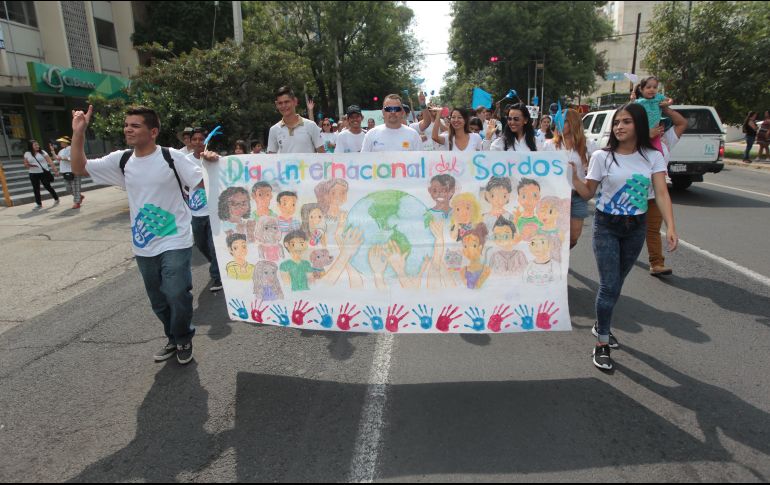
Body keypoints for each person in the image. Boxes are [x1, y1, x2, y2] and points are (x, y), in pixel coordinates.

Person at [70, 105, 204, 366]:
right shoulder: (121, 160)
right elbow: (79, 168)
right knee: (158, 300)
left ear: (153, 131)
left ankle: (183, 336)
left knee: (176, 291)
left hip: (176, 237)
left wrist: (212, 163)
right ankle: (173, 337)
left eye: (135, 125)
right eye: (126, 125)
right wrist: (79, 133)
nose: (128, 129)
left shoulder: (172, 157)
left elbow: (200, 182)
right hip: (144, 244)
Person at [571, 103, 678, 371]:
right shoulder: (602, 157)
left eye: (626, 121)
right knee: (608, 286)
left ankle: (600, 324)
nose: (619, 126)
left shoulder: (652, 156)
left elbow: (662, 193)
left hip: (636, 227)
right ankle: (602, 344)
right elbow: (588, 193)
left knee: (617, 284)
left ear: (638, 125)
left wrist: (671, 227)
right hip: (607, 225)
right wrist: (572, 177)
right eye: (617, 122)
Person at [543, 109, 599, 248]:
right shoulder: (549, 145)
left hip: (578, 195)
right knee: (555, 233)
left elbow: (596, 167)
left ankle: (563, 255)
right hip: (556, 196)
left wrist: (586, 167)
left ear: (573, 123)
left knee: (573, 236)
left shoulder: (589, 145)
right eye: (558, 121)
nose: (560, 124)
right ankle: (558, 263)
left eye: (565, 121)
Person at [646, 106, 688, 276]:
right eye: (655, 123)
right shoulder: (635, 139)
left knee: (652, 228)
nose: (659, 127)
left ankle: (656, 263)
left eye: (661, 124)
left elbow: (682, 123)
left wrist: (665, 109)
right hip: (633, 193)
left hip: (656, 193)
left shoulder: (666, 141)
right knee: (628, 229)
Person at [187, 127, 223, 292]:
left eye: (201, 139)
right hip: (195, 213)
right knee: (201, 245)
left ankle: (217, 276)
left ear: (206, 141)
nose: (197, 142)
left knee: (213, 244)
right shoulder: (184, 160)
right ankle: (218, 264)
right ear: (190, 142)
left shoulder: (214, 158)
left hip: (213, 211)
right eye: (194, 139)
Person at [267, 86, 324, 154]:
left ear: (295, 101)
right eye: (280, 103)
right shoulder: (274, 130)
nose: (283, 106)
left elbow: (322, 154)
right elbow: (271, 158)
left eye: (287, 102)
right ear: (276, 104)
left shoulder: (311, 126)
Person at [633, 76, 673, 153]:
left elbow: (670, 100)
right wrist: (632, 100)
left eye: (655, 87)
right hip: (642, 134)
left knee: (659, 153)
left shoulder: (658, 97)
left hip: (656, 133)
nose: (652, 89)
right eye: (648, 87)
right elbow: (630, 110)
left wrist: (667, 103)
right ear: (641, 89)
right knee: (642, 153)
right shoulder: (639, 102)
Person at [23, 139, 60, 210]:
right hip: (33, 173)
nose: (37, 146)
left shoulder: (43, 152)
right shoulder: (27, 154)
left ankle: (56, 198)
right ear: (31, 146)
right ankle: (39, 204)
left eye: (37, 144)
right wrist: (28, 165)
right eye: (35, 145)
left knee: (47, 186)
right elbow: (25, 164)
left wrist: (55, 170)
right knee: (36, 189)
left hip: (43, 172)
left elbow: (50, 162)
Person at [54, 136, 85, 209]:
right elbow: (58, 159)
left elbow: (74, 158)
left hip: (74, 170)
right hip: (64, 171)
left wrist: (63, 158)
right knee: (68, 188)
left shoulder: (72, 148)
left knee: (75, 187)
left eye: (62, 142)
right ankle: (79, 196)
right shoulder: (61, 151)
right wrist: (53, 152)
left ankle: (77, 203)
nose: (61, 143)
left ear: (66, 142)